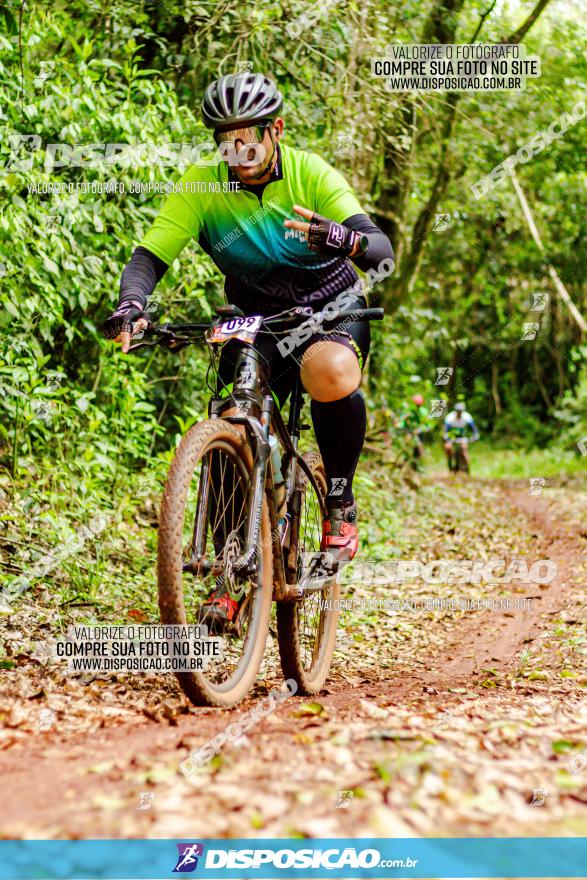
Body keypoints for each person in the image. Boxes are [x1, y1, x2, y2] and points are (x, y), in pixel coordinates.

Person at [103, 72, 394, 625]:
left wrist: (343, 239)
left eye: (249, 137)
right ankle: (230, 568)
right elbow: (151, 256)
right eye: (226, 139)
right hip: (254, 319)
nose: (238, 151)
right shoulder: (203, 185)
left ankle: (339, 503)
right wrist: (132, 305)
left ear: (275, 130)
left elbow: (379, 248)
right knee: (231, 419)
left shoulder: (311, 173)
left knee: (330, 371)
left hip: (329, 310)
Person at [443, 402, 480, 470]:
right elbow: (445, 430)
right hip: (452, 437)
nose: (459, 413)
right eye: (458, 411)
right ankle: (450, 465)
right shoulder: (450, 417)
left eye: (460, 412)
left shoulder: (467, 416)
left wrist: (476, 435)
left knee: (464, 450)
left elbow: (474, 428)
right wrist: (446, 437)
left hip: (462, 437)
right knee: (448, 448)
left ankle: (467, 469)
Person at [397, 394, 428, 466]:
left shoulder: (424, 411)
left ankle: (419, 464)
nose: (417, 406)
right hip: (409, 431)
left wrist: (419, 430)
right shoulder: (409, 411)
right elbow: (403, 422)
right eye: (416, 404)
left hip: (419, 433)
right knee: (407, 446)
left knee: (419, 448)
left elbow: (426, 424)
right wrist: (401, 426)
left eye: (419, 405)